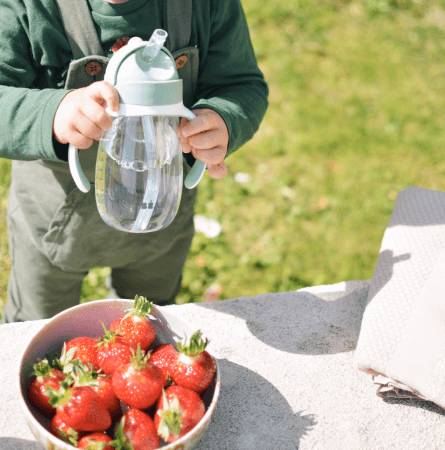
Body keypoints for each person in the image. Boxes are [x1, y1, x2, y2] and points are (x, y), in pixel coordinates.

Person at [0, 0, 269, 322]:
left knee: (148, 321)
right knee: (39, 324)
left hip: (161, 217)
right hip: (51, 223)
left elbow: (241, 85)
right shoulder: (25, 7)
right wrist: (51, 113)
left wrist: (225, 119)